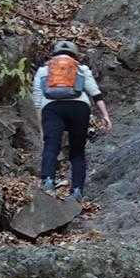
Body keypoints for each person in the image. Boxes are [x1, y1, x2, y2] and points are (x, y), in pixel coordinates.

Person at [32, 41, 112, 203]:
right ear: (75, 55)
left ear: (54, 54)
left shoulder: (44, 70)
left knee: (51, 146)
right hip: (79, 108)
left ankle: (48, 182)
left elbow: (37, 102)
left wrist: (42, 128)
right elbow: (95, 93)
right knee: (77, 151)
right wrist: (105, 115)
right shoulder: (81, 69)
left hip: (52, 108)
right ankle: (77, 191)